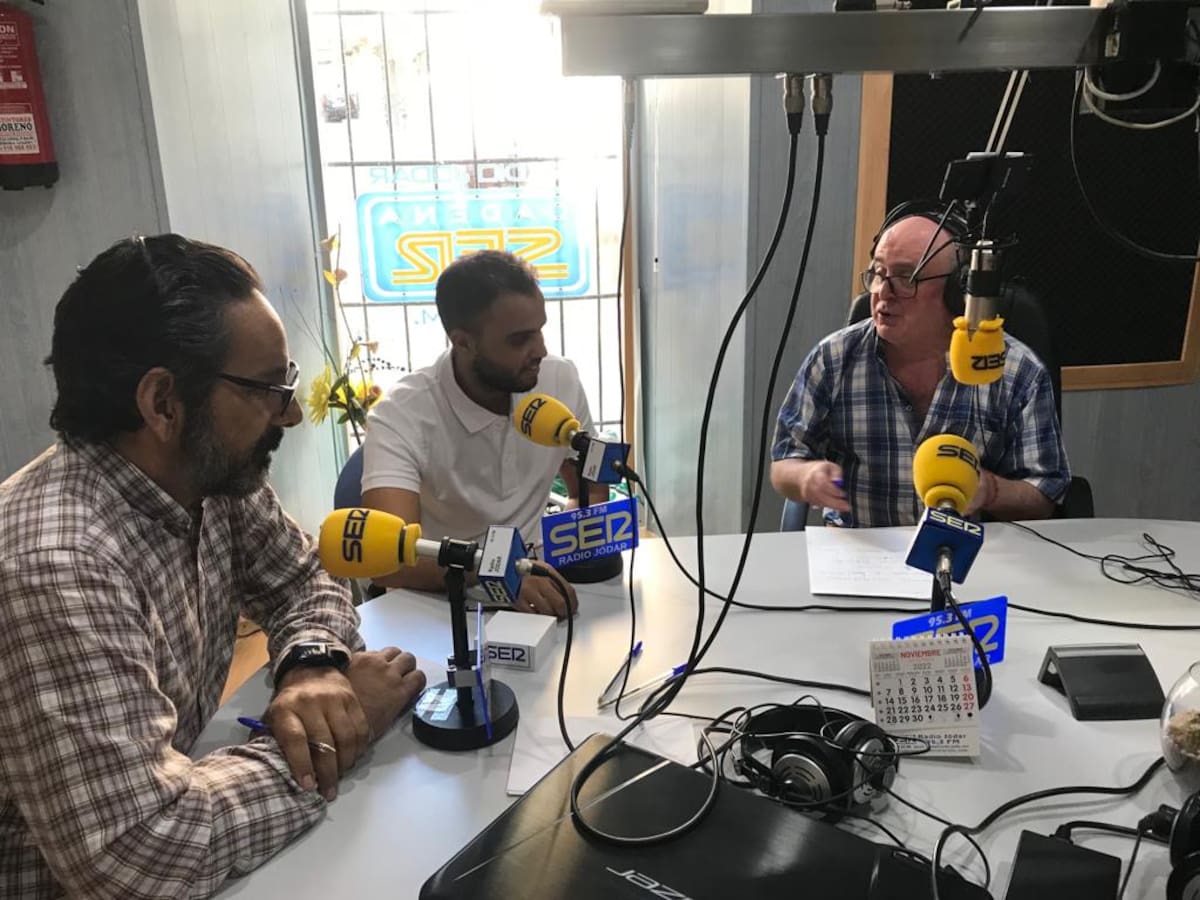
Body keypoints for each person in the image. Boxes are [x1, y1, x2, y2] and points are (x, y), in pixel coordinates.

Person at [0, 235, 427, 899]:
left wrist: (313, 667)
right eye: (269, 388)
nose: (291, 412)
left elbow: (304, 580)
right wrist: (346, 728)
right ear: (163, 404)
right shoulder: (57, 564)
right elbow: (141, 854)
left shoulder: (210, 478)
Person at [771, 210, 1070, 527]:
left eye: (906, 277)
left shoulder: (1016, 370)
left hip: (966, 550)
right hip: (859, 548)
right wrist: (805, 476)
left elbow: (1043, 495)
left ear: (957, 291)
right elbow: (783, 465)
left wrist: (990, 490)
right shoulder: (833, 359)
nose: (882, 292)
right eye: (878, 273)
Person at [362, 250, 602, 618]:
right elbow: (388, 561)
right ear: (463, 342)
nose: (540, 350)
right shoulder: (400, 414)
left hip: (539, 592)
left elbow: (588, 491)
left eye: (540, 330)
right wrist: (501, 572)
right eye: (519, 340)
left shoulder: (559, 379)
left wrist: (561, 554)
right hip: (440, 602)